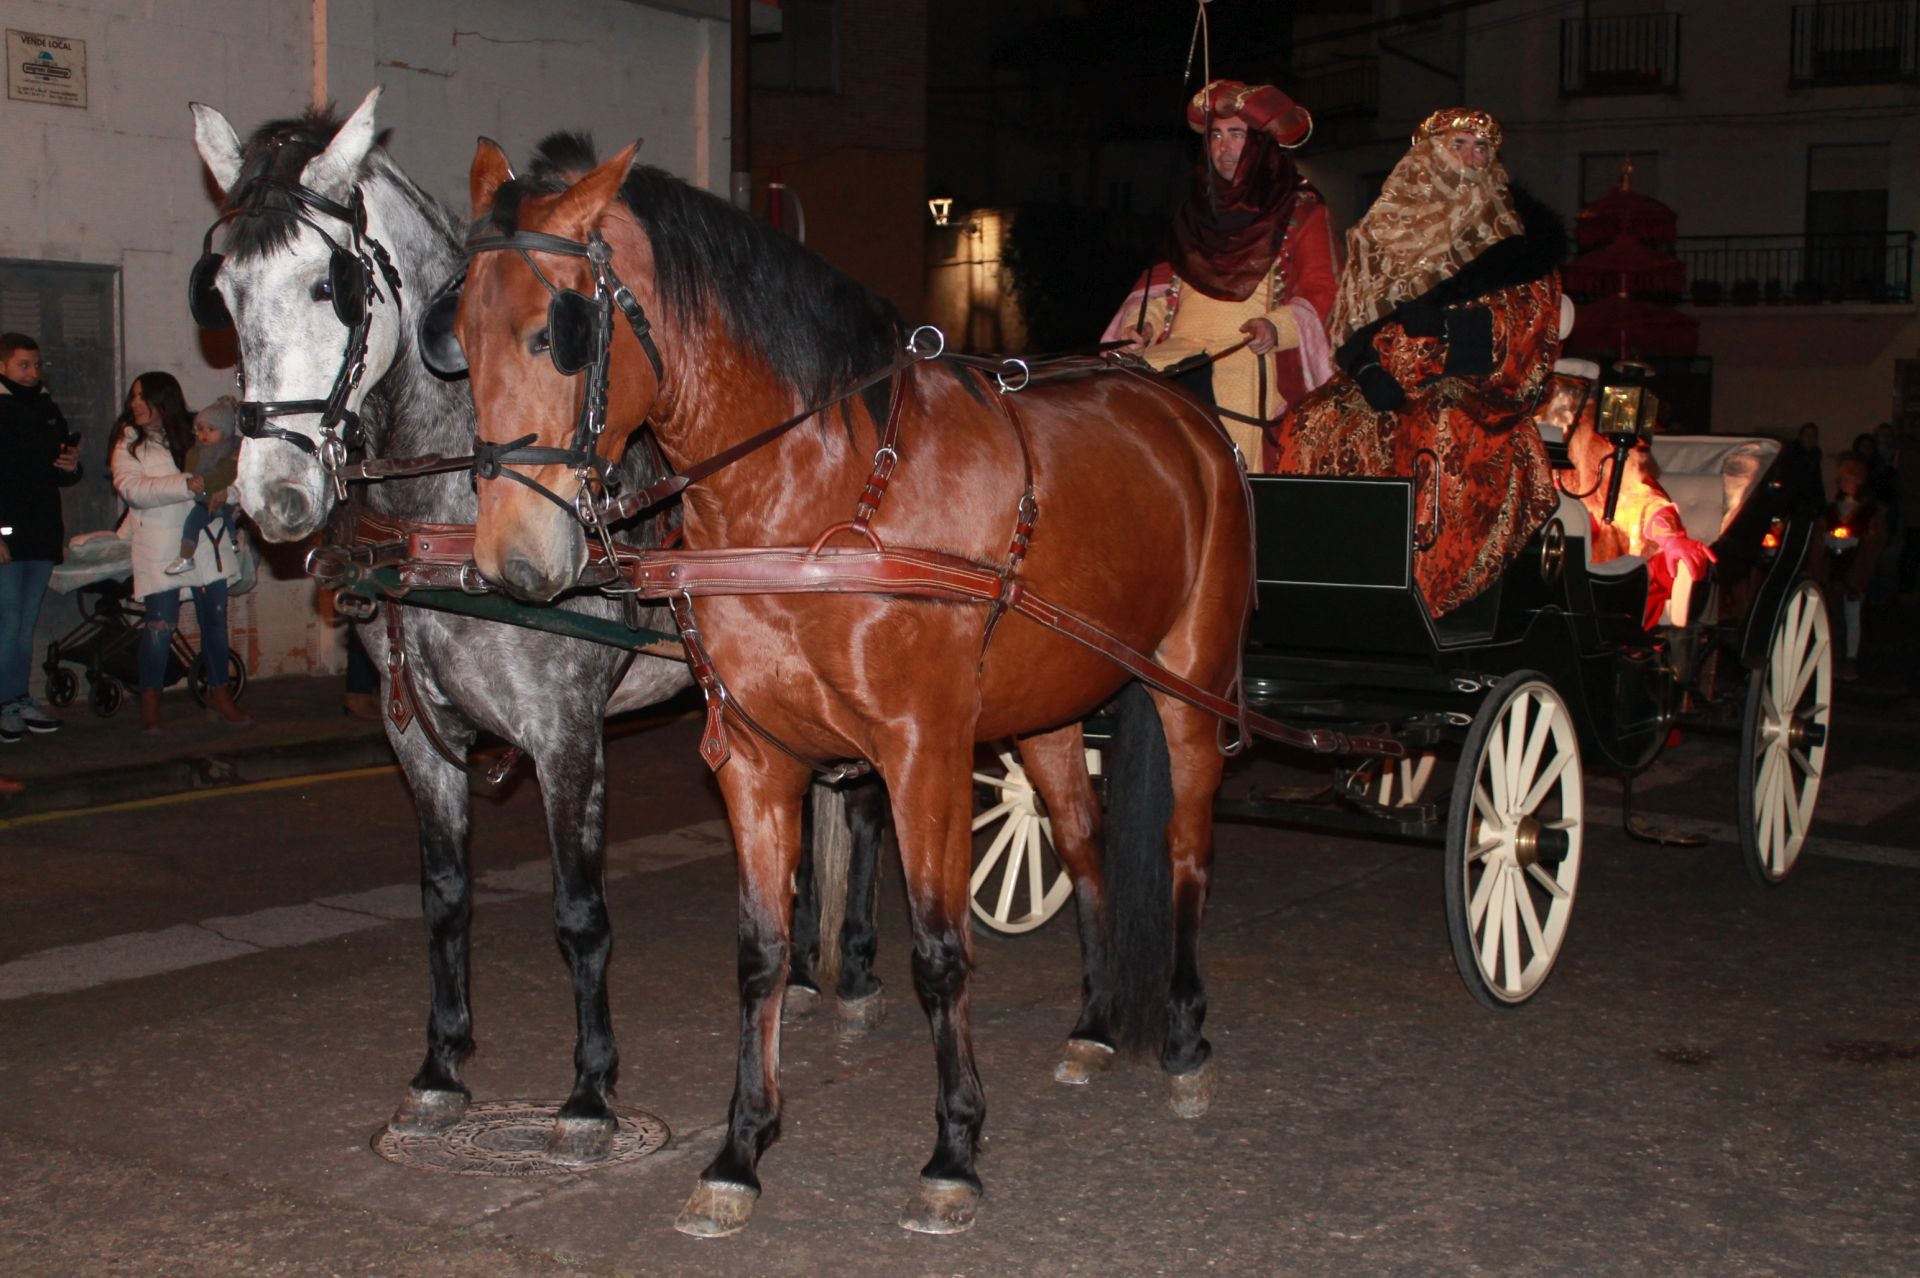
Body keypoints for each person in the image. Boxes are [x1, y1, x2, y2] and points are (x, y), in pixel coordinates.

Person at [1274, 107, 1565, 616]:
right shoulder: (1383, 231)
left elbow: (1531, 321)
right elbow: (1352, 320)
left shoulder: (1518, 237)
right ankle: (1321, 584)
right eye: (1459, 145)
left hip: (1473, 388)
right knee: (1312, 420)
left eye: (1482, 148)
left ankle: (1419, 595)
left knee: (1436, 425)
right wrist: (1366, 370)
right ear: (1429, 156)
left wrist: (1448, 327)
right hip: (1386, 378)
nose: (1471, 158)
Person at [1104, 78, 1337, 471]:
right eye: (1215, 135)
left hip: (1245, 351)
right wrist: (1141, 325)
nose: (1223, 148)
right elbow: (1163, 286)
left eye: (1236, 135)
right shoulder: (1194, 213)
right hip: (1177, 351)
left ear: (1261, 144)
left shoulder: (1302, 209)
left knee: (1235, 407)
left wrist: (1276, 326)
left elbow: (1322, 289)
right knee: (1121, 397)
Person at [109, 372, 251, 731]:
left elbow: (237, 473)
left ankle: (220, 692)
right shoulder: (130, 441)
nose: (135, 403)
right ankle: (150, 700)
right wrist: (187, 485)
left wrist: (227, 493)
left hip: (207, 542)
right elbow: (132, 489)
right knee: (161, 624)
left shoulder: (199, 430)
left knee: (215, 620)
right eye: (133, 397)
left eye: (142, 396)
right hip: (161, 545)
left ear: (164, 399)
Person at [0, 332, 82, 744]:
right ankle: (5, 703)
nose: (32, 372)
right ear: (2, 366)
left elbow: (58, 472)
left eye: (35, 365)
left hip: (42, 529)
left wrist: (71, 465)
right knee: (8, 622)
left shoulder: (46, 406)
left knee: (25, 624)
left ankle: (17, 698)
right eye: (23, 365)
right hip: (7, 534)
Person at [1811, 455, 1887, 681]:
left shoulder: (1869, 513)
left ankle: (1850, 659)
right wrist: (1828, 540)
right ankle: (1830, 658)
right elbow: (1818, 536)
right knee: (1830, 615)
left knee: (1852, 615)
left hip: (1854, 569)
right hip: (1831, 568)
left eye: (1847, 478)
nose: (1842, 482)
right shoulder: (1832, 510)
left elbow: (1875, 542)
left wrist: (1856, 542)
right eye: (1841, 478)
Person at [165, 398, 240, 576]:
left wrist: (208, 483)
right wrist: (193, 483)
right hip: (203, 502)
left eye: (211, 429)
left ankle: (232, 541)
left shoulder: (235, 452)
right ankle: (186, 556)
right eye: (200, 429)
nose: (204, 434)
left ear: (225, 432)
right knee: (192, 524)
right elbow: (189, 474)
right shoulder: (194, 453)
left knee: (227, 516)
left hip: (225, 500)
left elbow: (229, 475)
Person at [1779, 422, 1826, 518]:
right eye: (1807, 435)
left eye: (1813, 436)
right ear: (1800, 437)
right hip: (1792, 505)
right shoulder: (1791, 454)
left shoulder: (1814, 456)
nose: (1810, 438)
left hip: (1809, 505)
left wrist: (1821, 508)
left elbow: (1817, 482)